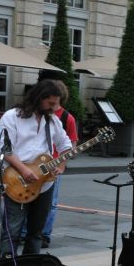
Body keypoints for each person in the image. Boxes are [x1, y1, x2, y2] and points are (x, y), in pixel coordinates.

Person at [0, 80, 72, 257]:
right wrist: (23, 170)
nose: (54, 108)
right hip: (15, 179)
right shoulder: (12, 116)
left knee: (35, 233)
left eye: (56, 104)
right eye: (50, 103)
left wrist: (61, 165)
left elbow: (65, 145)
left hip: (44, 184)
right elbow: (4, 148)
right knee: (11, 231)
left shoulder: (52, 121)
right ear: (39, 98)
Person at [41, 81, 78, 248]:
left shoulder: (66, 118)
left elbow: (73, 144)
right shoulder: (39, 113)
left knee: (51, 202)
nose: (51, 105)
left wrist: (62, 164)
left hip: (54, 165)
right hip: (37, 163)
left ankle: (45, 234)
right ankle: (26, 232)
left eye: (53, 102)